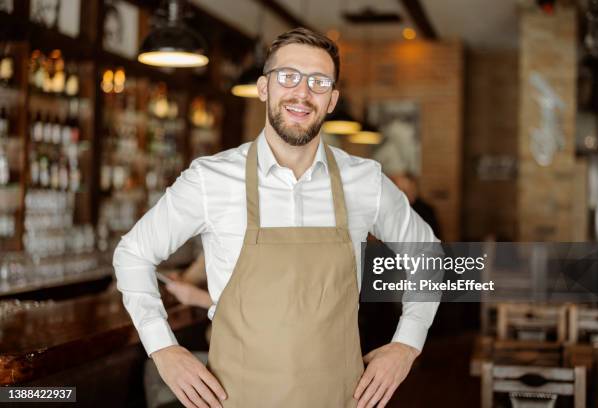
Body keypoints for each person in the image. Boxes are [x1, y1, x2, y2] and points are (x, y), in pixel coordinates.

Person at [113, 27, 439, 408]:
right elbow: (132, 254)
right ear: (264, 88)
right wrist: (164, 350)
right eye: (288, 77)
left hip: (339, 398)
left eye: (318, 82)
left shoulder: (364, 180)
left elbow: (428, 253)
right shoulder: (210, 179)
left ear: (332, 100)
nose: (302, 93)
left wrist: (406, 345)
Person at [390, 172, 441, 239]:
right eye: (400, 190)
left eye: (407, 191)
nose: (404, 195)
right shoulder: (390, 210)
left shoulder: (425, 211)